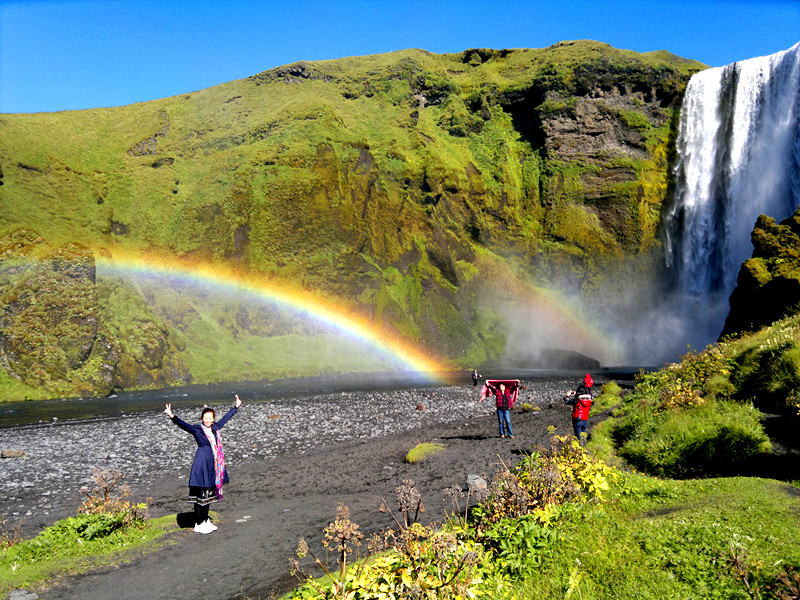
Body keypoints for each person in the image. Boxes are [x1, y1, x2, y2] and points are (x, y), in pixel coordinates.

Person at [164, 394, 242, 534]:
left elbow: (225, 419)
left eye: (210, 418)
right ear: (202, 418)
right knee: (200, 495)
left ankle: (206, 520)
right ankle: (199, 523)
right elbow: (184, 425)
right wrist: (172, 416)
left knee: (209, 494)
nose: (208, 420)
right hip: (201, 464)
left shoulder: (215, 428)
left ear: (212, 419)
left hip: (213, 466)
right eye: (205, 418)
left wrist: (235, 407)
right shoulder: (197, 429)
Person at [564, 374, 594, 442]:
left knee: (578, 438)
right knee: (584, 437)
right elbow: (584, 396)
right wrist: (577, 394)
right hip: (585, 420)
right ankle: (585, 449)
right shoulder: (589, 399)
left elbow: (567, 402)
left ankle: (580, 450)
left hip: (577, 419)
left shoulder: (577, 400)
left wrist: (567, 396)